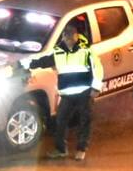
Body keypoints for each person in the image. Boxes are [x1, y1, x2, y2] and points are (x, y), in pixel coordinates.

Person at [25, 22, 104, 160]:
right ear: (63, 37)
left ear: (76, 36)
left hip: (84, 93)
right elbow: (42, 61)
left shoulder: (86, 51)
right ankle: (61, 149)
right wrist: (24, 64)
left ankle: (81, 149)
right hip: (67, 94)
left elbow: (98, 69)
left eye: (70, 36)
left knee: (85, 121)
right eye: (66, 37)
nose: (68, 39)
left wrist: (96, 87)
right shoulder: (58, 52)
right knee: (60, 121)